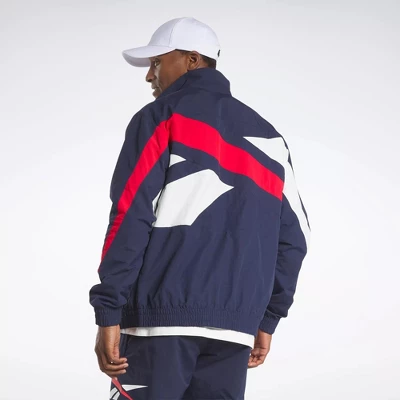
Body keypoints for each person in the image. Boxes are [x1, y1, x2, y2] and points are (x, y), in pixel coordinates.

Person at [89, 17, 310, 400]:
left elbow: (130, 215)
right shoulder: (270, 138)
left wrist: (108, 308)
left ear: (192, 59)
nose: (150, 76)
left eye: (157, 62)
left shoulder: (160, 118)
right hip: (233, 331)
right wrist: (266, 318)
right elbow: (294, 240)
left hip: (158, 324)